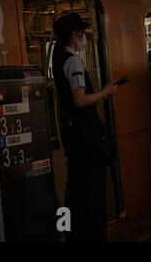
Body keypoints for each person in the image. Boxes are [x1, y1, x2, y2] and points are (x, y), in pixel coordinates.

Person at [52, 13, 118, 241]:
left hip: (73, 135)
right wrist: (105, 92)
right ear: (75, 35)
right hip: (85, 139)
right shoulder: (73, 61)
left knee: (77, 191)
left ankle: (74, 236)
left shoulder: (57, 58)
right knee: (92, 193)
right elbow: (80, 100)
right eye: (83, 34)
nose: (84, 39)